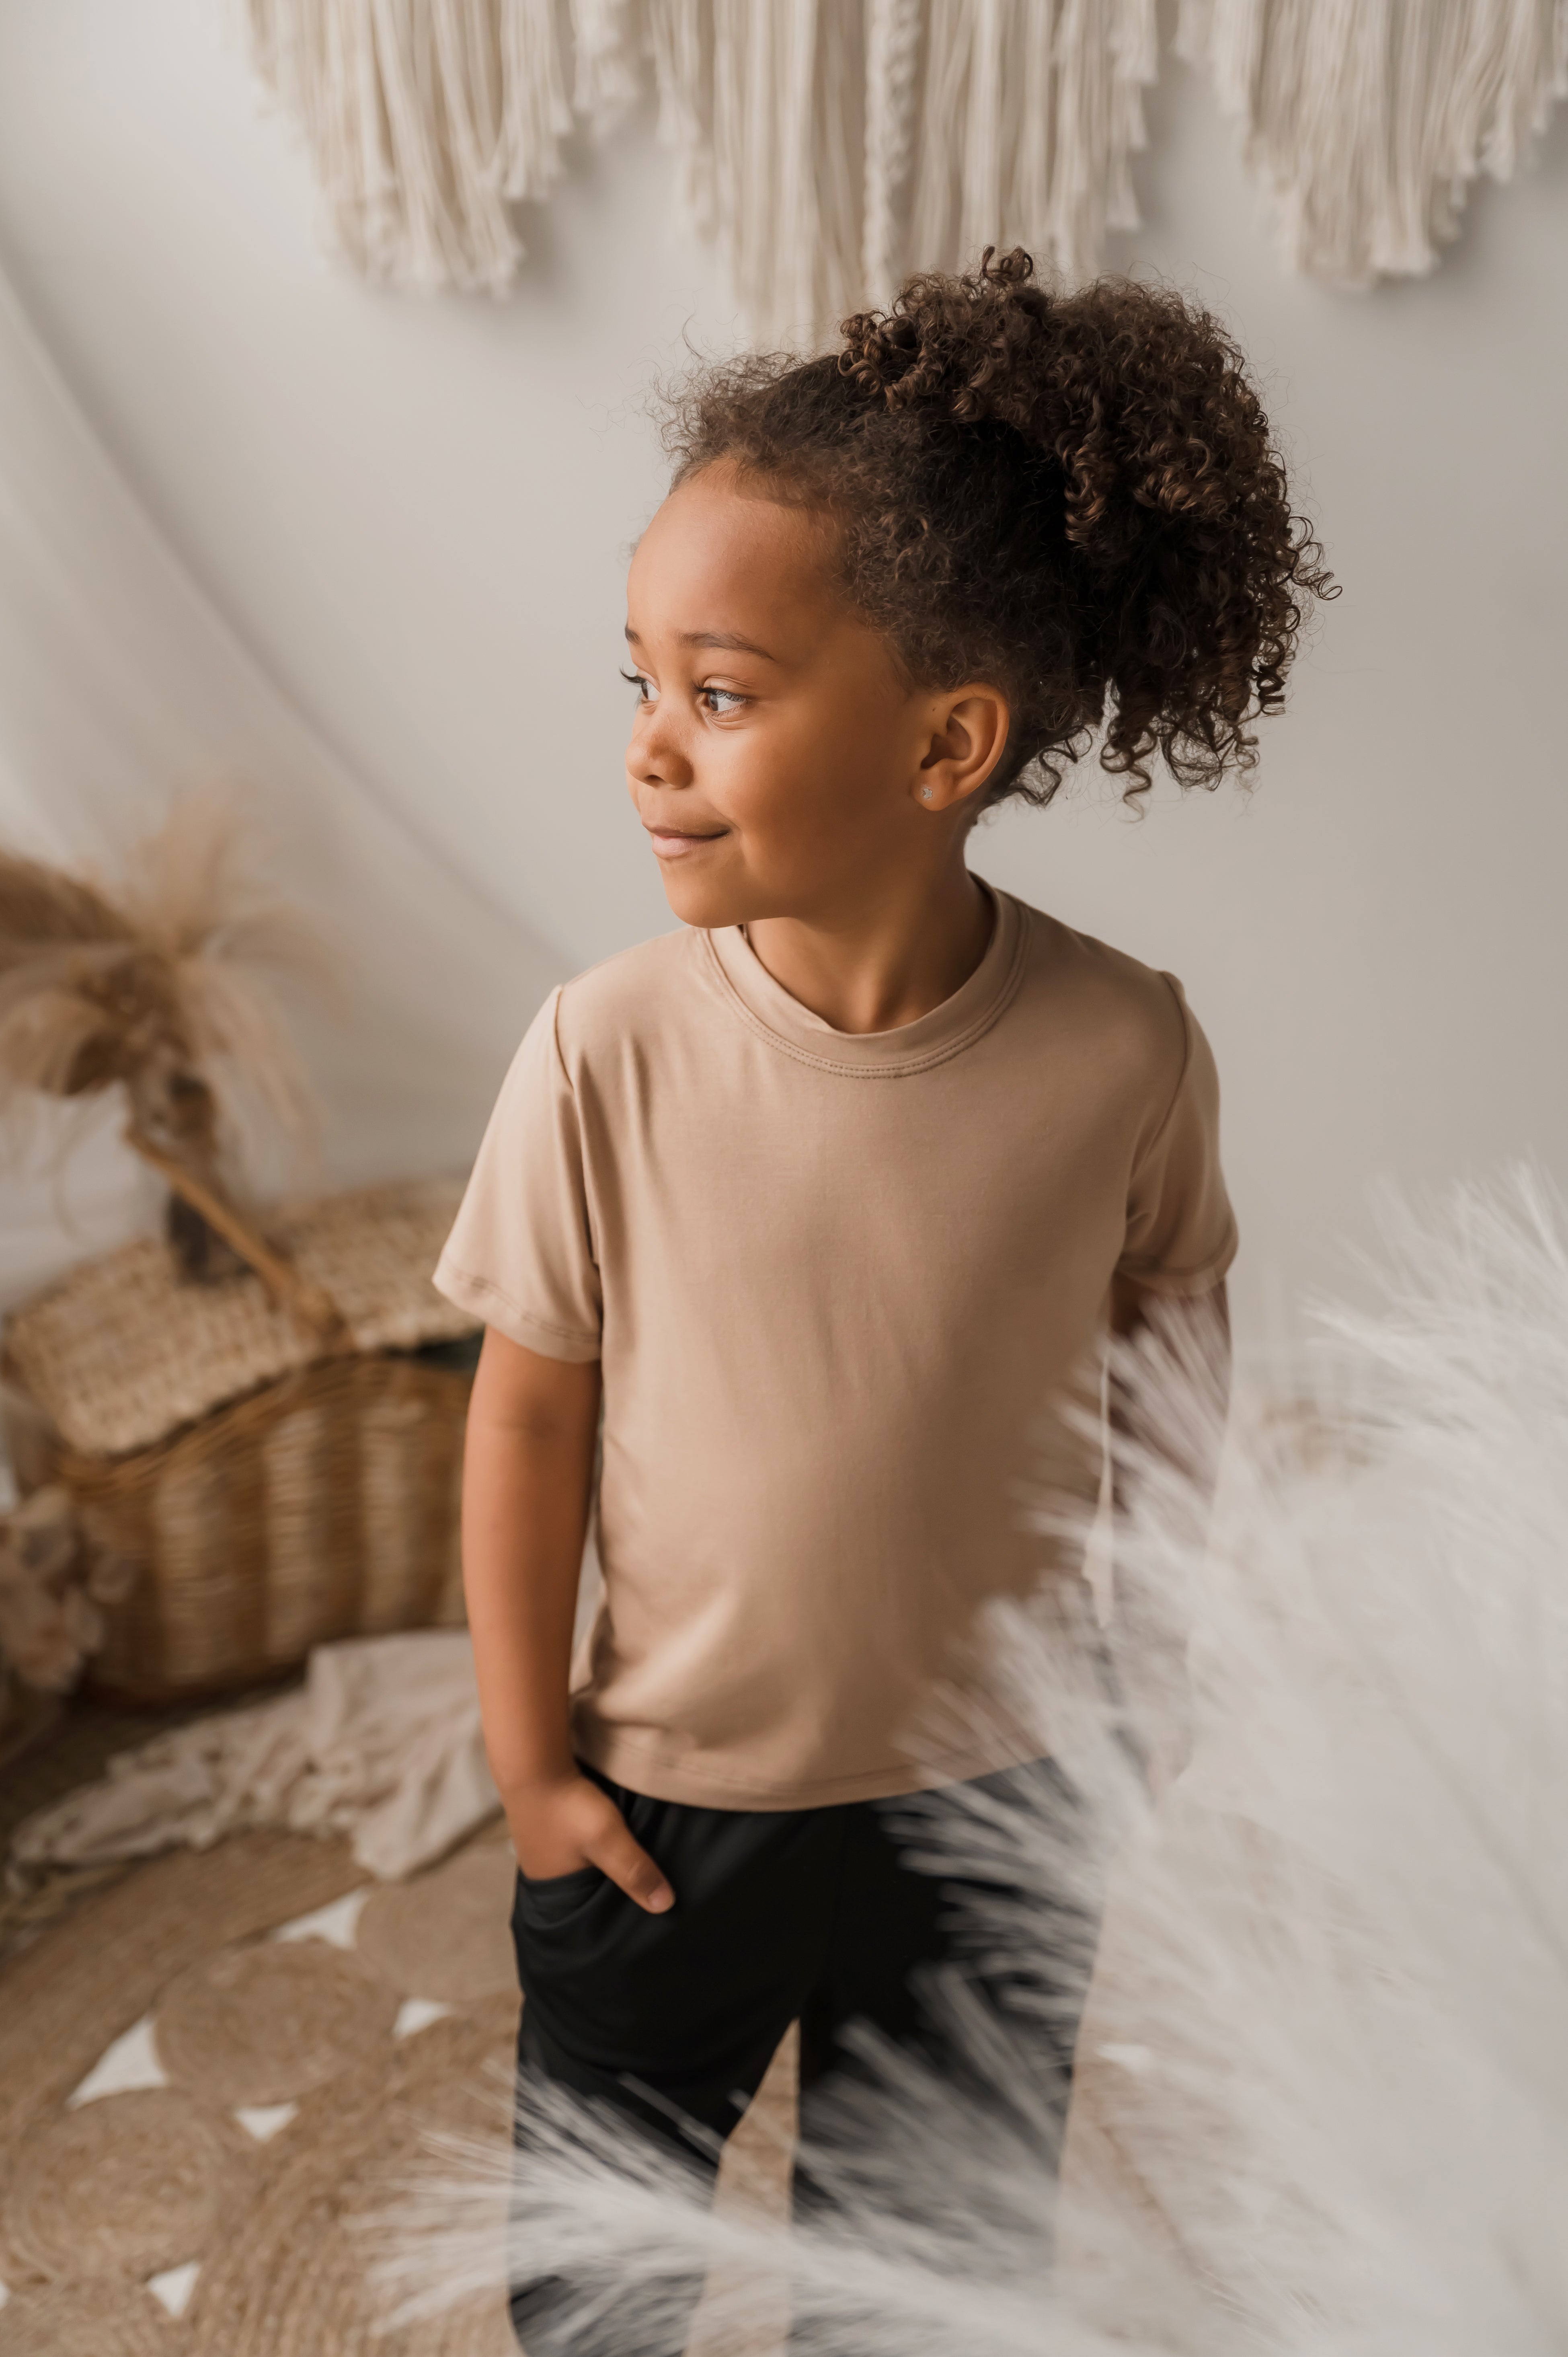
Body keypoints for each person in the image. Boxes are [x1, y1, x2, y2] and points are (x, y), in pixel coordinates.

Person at [434, 247, 1331, 2353]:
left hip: (992, 1789)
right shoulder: (603, 1051)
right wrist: (531, 1763)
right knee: (595, 2286)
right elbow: (529, 1412)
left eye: (722, 695)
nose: (651, 751)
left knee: (930, 2286)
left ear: (948, 742)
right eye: (640, 681)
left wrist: (1138, 1685)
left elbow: (1172, 1356)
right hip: (671, 1806)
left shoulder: (1123, 1047)